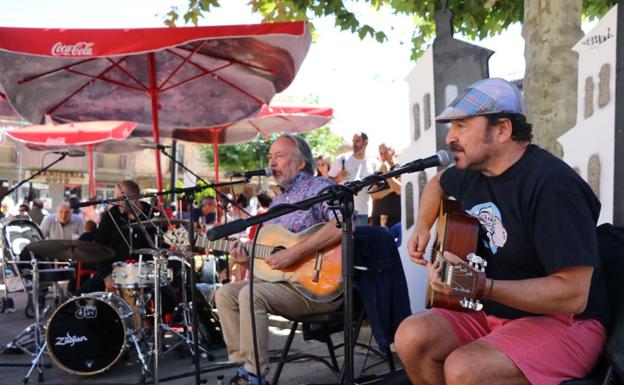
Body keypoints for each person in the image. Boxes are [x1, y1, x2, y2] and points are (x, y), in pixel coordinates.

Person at [394, 78, 609, 385]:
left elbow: (572, 294)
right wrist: (423, 228)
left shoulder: (553, 186)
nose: (450, 138)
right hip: (494, 310)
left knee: (466, 368)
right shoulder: (471, 172)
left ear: (502, 129)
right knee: (412, 336)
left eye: (462, 126)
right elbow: (437, 184)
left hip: (567, 321)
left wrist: (482, 287)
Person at [215, 134, 342, 385]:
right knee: (225, 294)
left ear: (301, 162)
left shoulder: (320, 187)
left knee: (250, 295)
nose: (272, 163)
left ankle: (254, 376)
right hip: (283, 284)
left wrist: (295, 252)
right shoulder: (277, 205)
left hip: (316, 287)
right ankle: (244, 366)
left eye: (279, 156)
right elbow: (270, 260)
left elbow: (342, 224)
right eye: (270, 157)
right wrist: (244, 261)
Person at [77, 180, 155, 294]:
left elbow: (162, 245)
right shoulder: (111, 216)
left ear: (135, 198)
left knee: (170, 299)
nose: (116, 202)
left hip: (146, 274)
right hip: (114, 273)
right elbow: (98, 248)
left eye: (120, 199)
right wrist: (106, 276)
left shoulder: (152, 214)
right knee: (79, 298)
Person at [328, 132, 378, 226]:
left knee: (360, 240)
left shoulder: (374, 163)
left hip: (363, 212)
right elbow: (327, 183)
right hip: (342, 211)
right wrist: (339, 177)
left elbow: (376, 188)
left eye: (357, 141)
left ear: (366, 143)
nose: (354, 144)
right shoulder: (342, 159)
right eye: (353, 141)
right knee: (343, 240)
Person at [370, 143, 402, 228]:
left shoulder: (401, 169)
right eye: (381, 153)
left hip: (395, 218)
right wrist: (392, 188)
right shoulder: (377, 174)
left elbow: (399, 190)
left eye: (386, 152)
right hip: (377, 218)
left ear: (393, 152)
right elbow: (373, 195)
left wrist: (387, 173)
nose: (384, 156)